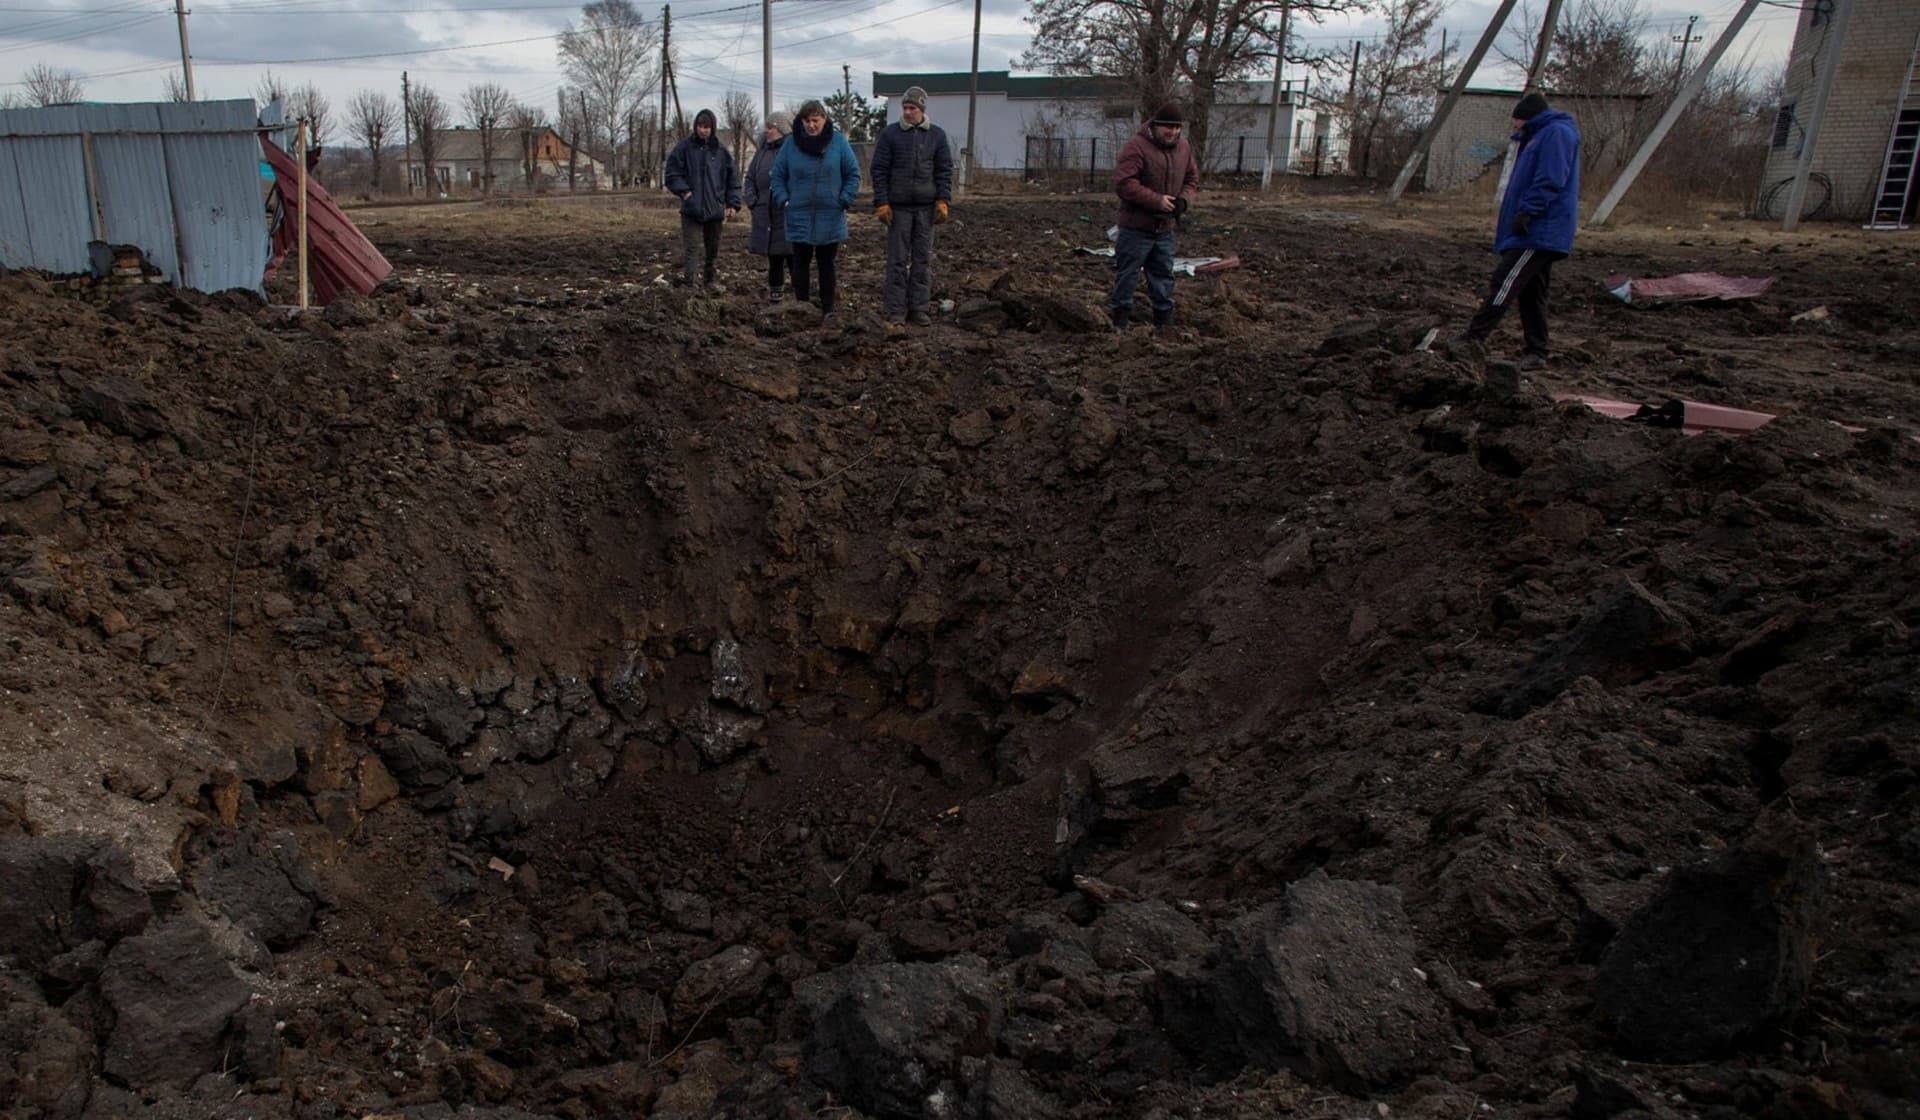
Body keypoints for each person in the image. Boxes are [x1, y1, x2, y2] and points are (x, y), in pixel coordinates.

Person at [1454, 91, 1581, 370]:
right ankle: (1537, 352)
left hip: (1540, 228)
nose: (1515, 129)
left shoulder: (1555, 134)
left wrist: (1529, 210)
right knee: (1531, 292)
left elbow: (1550, 177)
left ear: (1527, 118)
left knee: (1506, 280)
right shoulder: (1539, 135)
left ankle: (1474, 338)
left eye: (1517, 123)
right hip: (1536, 226)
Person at [770, 99, 861, 323]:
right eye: (807, 121)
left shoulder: (838, 142)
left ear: (824, 119)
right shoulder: (791, 144)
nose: (811, 125)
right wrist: (785, 200)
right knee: (800, 262)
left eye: (815, 120)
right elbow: (777, 176)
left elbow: (853, 174)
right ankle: (802, 307)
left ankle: (828, 308)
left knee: (826, 263)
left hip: (830, 214)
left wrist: (844, 199)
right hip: (798, 213)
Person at [1111, 101, 1199, 331]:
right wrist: (1156, 200)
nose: (1173, 132)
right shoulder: (1136, 147)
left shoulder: (1184, 148)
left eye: (1177, 128)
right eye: (1168, 127)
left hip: (1165, 228)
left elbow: (1192, 179)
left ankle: (1164, 324)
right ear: (1155, 125)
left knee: (1163, 276)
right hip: (1136, 227)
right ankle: (1119, 324)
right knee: (1127, 275)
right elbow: (1124, 183)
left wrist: (1184, 200)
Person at [869, 85, 953, 325]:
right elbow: (879, 170)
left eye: (912, 108)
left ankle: (919, 307)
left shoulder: (937, 136)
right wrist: (882, 202)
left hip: (926, 209)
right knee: (896, 259)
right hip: (899, 208)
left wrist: (943, 200)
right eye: (905, 107)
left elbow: (944, 170)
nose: (907, 112)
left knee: (922, 259)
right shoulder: (890, 135)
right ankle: (895, 309)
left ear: (921, 109)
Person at [664, 107, 740, 290]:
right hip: (691, 209)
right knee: (692, 248)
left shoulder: (721, 151)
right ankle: (690, 281)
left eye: (707, 127)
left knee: (712, 248)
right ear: (695, 127)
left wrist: (733, 203)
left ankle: (710, 280)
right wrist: (685, 192)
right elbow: (672, 173)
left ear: (712, 128)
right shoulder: (683, 148)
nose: (703, 130)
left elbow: (732, 178)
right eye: (700, 126)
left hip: (715, 208)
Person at [742, 111, 794, 303]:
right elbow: (750, 178)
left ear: (781, 129)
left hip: (786, 212)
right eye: (767, 127)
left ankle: (799, 297)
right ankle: (775, 295)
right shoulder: (761, 152)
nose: (767, 131)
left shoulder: (792, 150)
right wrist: (753, 201)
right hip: (766, 212)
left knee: (793, 255)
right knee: (774, 258)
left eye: (770, 127)